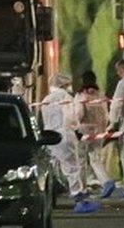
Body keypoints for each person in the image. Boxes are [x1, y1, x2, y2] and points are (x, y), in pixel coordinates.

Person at [41, 73, 100, 213]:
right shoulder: (66, 97)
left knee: (52, 168)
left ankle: (49, 199)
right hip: (65, 135)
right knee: (72, 168)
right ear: (63, 85)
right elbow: (71, 118)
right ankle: (79, 200)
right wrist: (76, 129)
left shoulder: (46, 99)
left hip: (50, 136)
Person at [74, 70, 115, 199]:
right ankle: (107, 181)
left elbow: (79, 114)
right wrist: (103, 130)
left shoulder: (81, 95)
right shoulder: (101, 95)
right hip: (98, 132)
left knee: (81, 161)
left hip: (83, 132)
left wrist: (75, 125)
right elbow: (105, 115)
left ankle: (83, 189)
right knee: (95, 159)